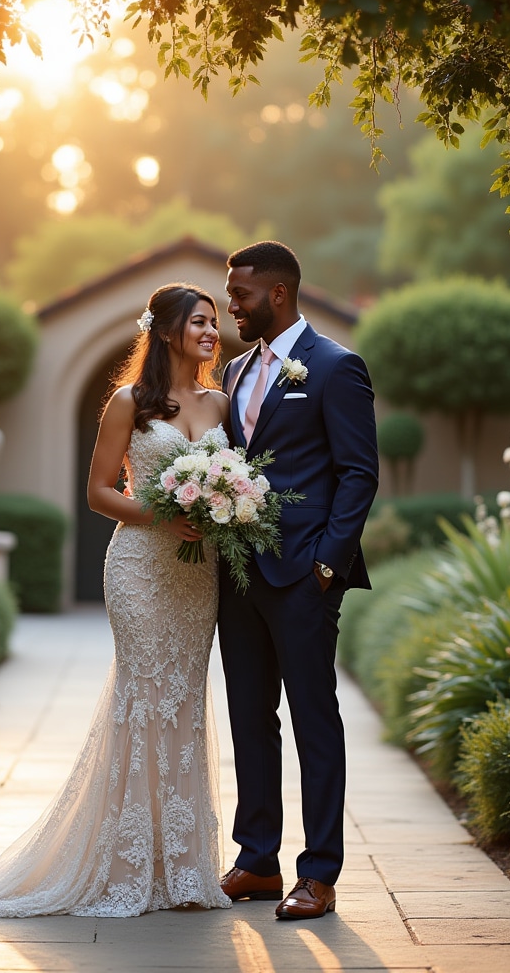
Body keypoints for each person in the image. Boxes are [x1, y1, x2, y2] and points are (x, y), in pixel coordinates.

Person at [0, 283, 233, 918]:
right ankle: (124, 865)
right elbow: (97, 492)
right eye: (200, 321)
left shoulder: (223, 403)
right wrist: (160, 514)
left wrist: (222, 507)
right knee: (144, 698)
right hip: (140, 568)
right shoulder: (130, 403)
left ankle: (181, 866)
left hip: (195, 576)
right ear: (169, 330)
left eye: (215, 322)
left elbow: (231, 484)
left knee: (185, 706)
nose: (211, 331)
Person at [217, 240, 379, 920]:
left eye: (241, 294)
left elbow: (358, 474)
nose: (231, 305)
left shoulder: (336, 368)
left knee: (315, 721)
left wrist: (325, 566)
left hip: (304, 575)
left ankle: (319, 874)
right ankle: (257, 861)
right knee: (250, 720)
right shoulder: (229, 373)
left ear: (278, 293)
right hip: (238, 575)